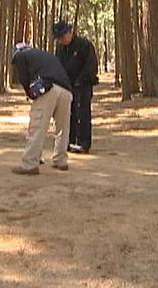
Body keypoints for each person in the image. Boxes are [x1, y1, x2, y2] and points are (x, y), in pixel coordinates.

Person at [10, 42, 73, 175]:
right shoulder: (44, 54)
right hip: (66, 90)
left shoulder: (21, 55)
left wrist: (29, 92)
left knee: (37, 125)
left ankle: (29, 164)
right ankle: (61, 161)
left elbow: (23, 77)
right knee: (63, 128)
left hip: (48, 88)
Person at [52, 20, 98, 154]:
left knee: (83, 113)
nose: (61, 40)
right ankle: (69, 141)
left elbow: (91, 66)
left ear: (69, 32)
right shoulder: (60, 49)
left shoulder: (85, 45)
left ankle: (84, 143)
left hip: (83, 86)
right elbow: (58, 66)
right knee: (67, 114)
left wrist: (81, 81)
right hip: (66, 86)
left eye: (62, 36)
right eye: (58, 38)